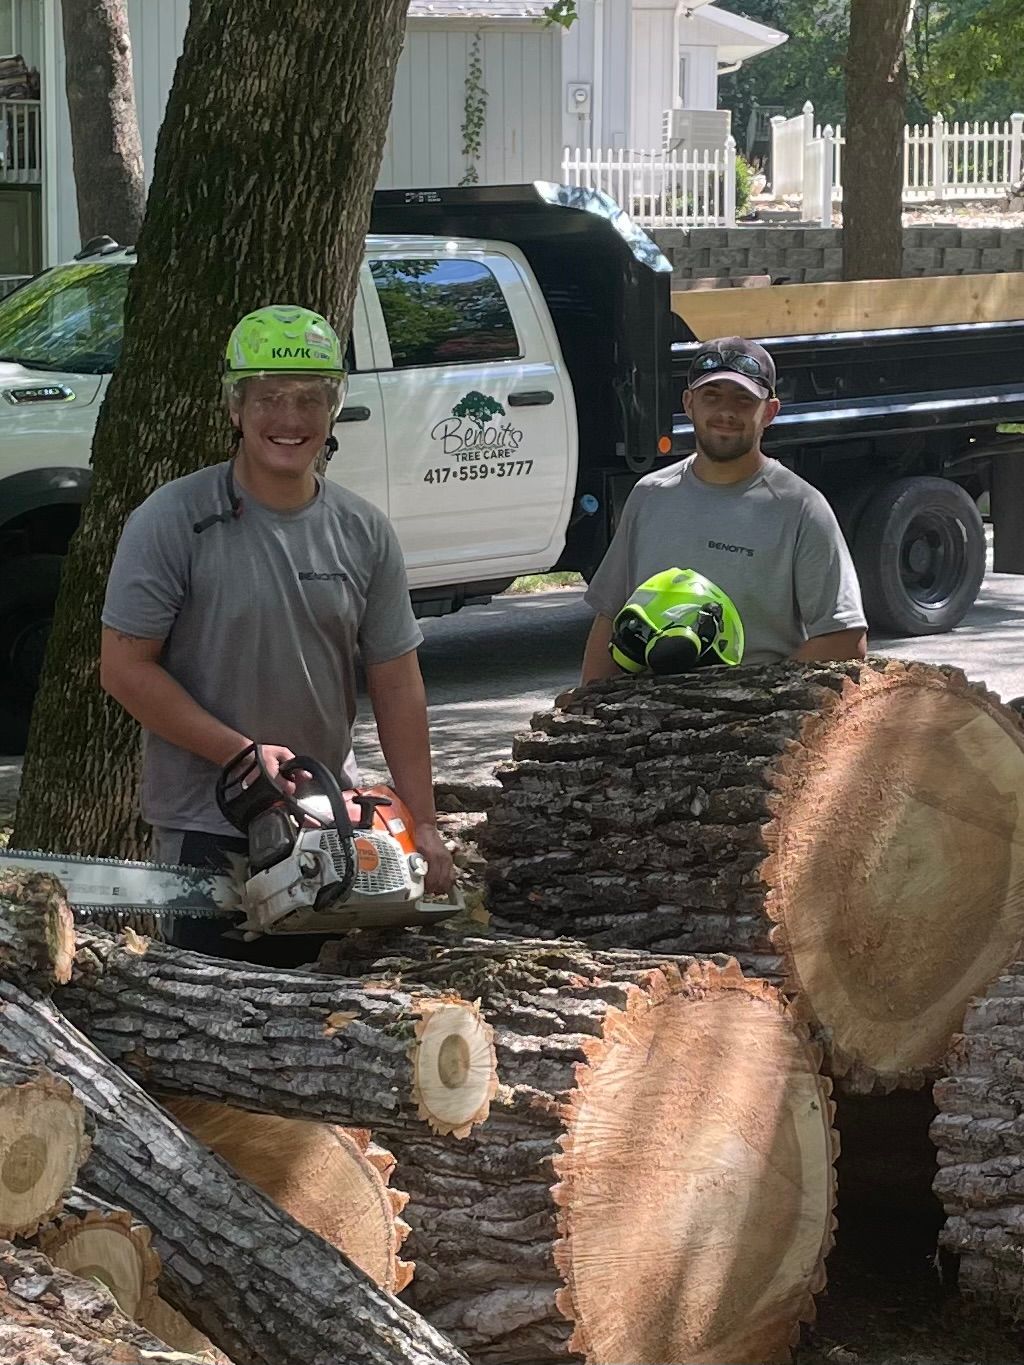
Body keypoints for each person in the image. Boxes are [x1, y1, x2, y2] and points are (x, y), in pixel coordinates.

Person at [100, 304, 453, 964]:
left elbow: (398, 682)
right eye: (268, 398)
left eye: (308, 399)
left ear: (333, 410)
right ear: (236, 407)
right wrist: (242, 755)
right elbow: (124, 669)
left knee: (324, 1022)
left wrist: (423, 821)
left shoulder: (363, 532)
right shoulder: (173, 520)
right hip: (206, 821)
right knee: (209, 1027)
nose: (288, 419)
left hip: (328, 820)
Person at [582, 336, 867, 683]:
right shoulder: (650, 496)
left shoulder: (800, 508)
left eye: (743, 400)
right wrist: (587, 702)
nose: (726, 413)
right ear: (689, 403)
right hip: (650, 721)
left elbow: (844, 638)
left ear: (770, 412)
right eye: (711, 396)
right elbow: (611, 616)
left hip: (750, 721)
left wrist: (757, 700)